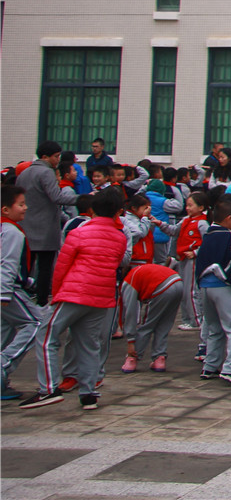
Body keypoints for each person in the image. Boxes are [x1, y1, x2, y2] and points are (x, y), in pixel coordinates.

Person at [19, 186, 127, 411]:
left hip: (74, 292)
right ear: (118, 211)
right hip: (101, 296)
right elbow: (117, 263)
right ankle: (89, 393)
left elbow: (61, 266)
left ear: (92, 209)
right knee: (89, 345)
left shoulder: (79, 233)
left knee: (46, 336)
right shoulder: (120, 237)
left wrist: (56, 293)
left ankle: (48, 389)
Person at [196, 198, 231, 387]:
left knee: (214, 327)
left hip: (205, 285)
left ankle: (210, 366)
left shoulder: (208, 234)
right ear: (228, 218)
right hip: (223, 284)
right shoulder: (228, 235)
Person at [16, 141, 78, 306]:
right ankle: (42, 301)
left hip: (25, 226)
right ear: (45, 157)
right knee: (45, 269)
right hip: (45, 229)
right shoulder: (47, 172)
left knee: (26, 267)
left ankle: (23, 299)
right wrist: (82, 199)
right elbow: (57, 197)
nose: (58, 160)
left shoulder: (24, 173)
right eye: (56, 156)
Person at [1, 185, 44, 400]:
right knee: (37, 322)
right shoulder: (11, 232)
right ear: (5, 209)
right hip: (7, 289)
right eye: (21, 204)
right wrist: (4, 293)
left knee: (5, 330)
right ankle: (3, 365)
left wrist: (27, 280)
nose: (25, 208)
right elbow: (7, 264)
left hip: (9, 286)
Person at [118, 262, 183, 374]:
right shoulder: (139, 271)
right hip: (178, 282)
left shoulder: (129, 281)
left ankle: (132, 357)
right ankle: (159, 357)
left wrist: (130, 340)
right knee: (165, 323)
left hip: (162, 287)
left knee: (147, 324)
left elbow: (130, 312)